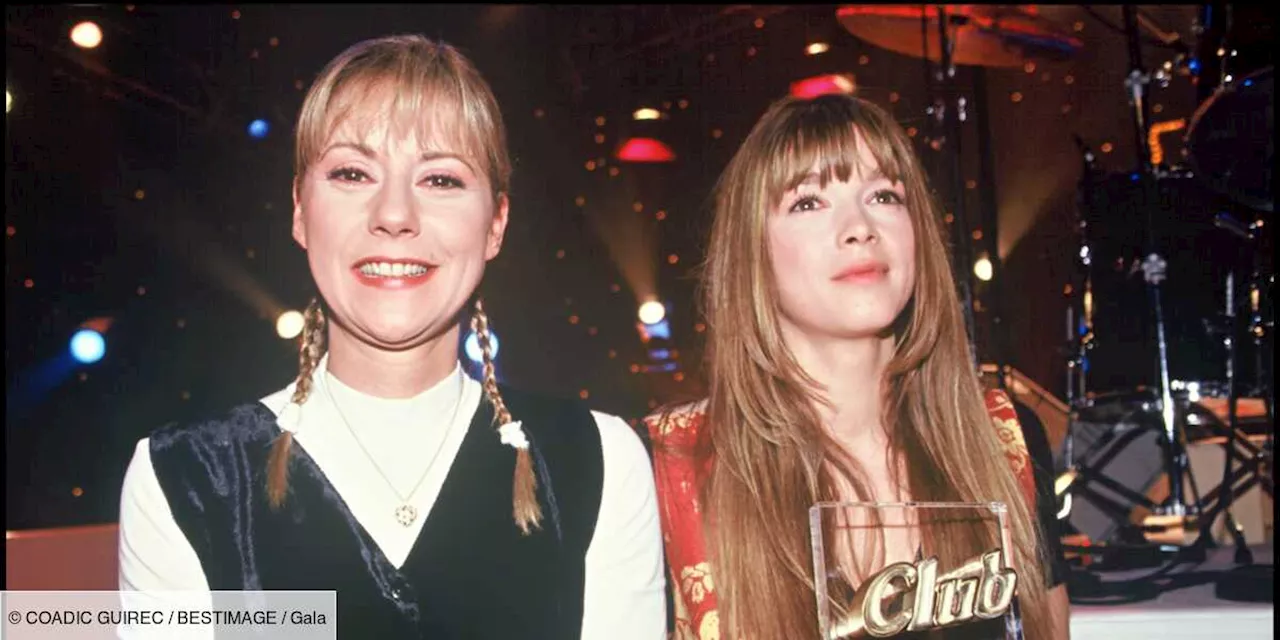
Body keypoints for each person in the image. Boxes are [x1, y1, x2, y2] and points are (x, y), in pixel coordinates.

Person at [117, 35, 666, 639]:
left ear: (496, 225)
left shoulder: (599, 461)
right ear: (300, 209)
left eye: (441, 180)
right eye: (353, 173)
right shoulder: (183, 478)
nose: (396, 214)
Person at [645, 93, 1071, 639]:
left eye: (885, 196)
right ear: (751, 253)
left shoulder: (1004, 438)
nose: (859, 227)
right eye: (808, 203)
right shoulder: (668, 466)